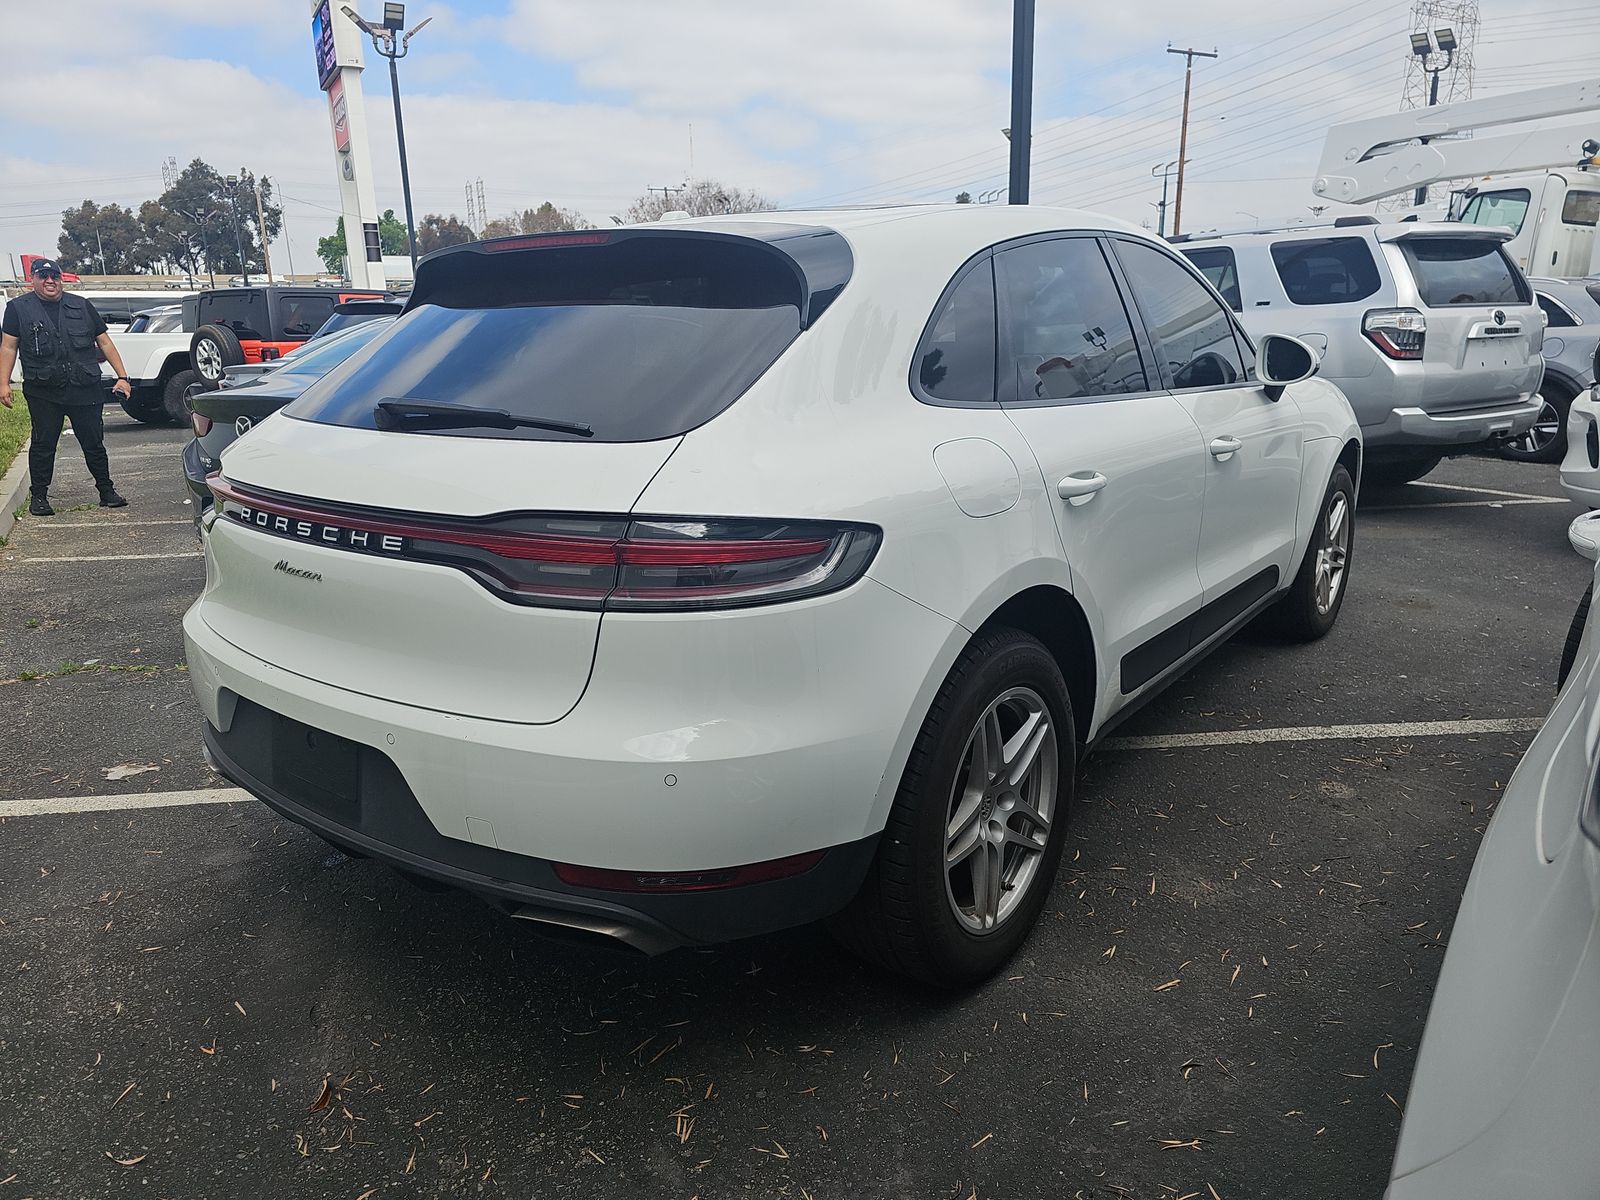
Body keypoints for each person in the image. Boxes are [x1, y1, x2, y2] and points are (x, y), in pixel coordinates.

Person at [0, 260, 129, 515]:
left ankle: (107, 491)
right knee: (43, 444)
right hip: (44, 391)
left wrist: (122, 376)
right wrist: (3, 383)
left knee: (94, 443)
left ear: (61, 279)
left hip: (84, 387)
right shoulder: (17, 309)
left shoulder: (81, 305)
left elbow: (104, 342)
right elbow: (8, 346)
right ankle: (39, 498)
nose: (50, 281)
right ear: (33, 279)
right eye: (43, 275)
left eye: (55, 276)